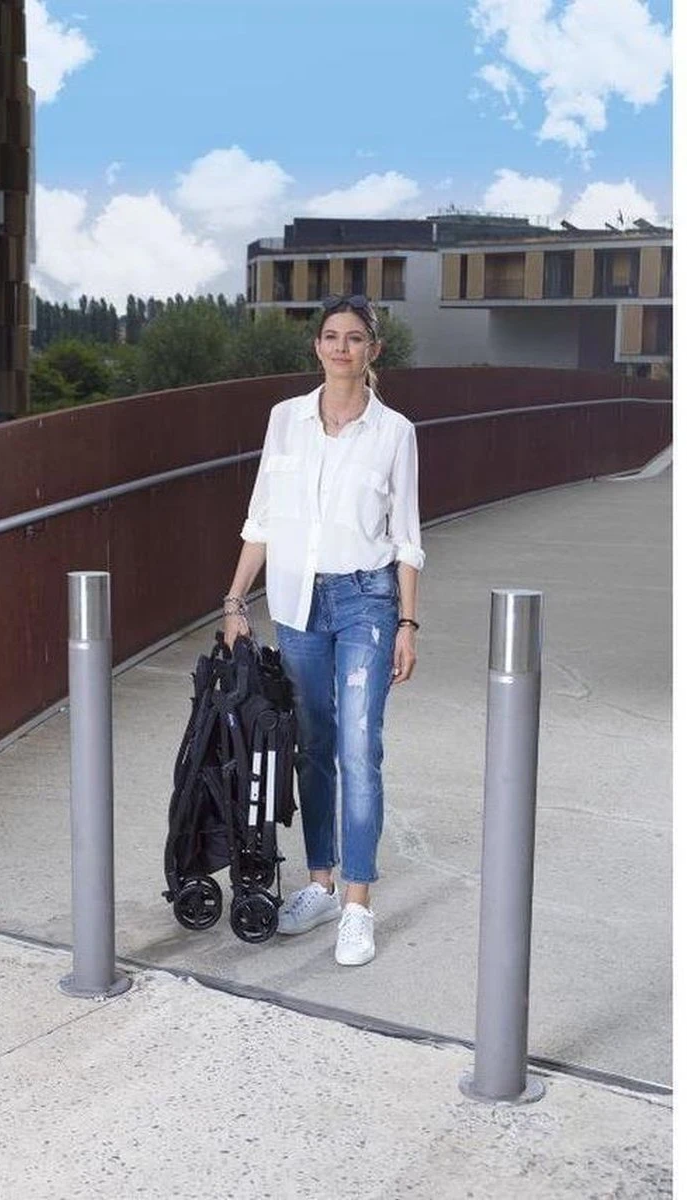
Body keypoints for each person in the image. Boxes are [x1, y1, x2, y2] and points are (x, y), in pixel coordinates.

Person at [222, 294, 424, 966]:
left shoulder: (394, 432)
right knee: (312, 744)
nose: (342, 348)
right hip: (295, 602)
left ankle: (358, 906)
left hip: (367, 599)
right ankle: (321, 884)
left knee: (360, 748)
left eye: (355, 338)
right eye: (331, 336)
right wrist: (234, 599)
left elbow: (406, 537)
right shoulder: (285, 420)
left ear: (373, 350)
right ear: (317, 347)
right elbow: (260, 519)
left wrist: (407, 622)